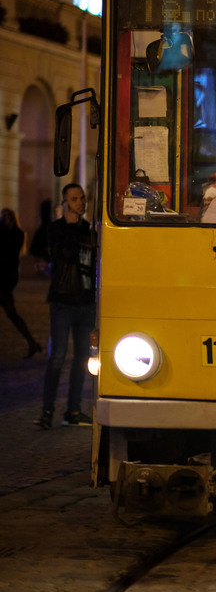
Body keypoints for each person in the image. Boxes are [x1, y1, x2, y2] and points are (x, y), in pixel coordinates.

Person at [34, 184, 97, 430]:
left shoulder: (89, 230)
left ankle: (73, 410)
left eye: (82, 198)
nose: (81, 202)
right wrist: (69, 224)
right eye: (75, 199)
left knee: (82, 359)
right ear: (65, 203)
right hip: (62, 302)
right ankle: (47, 411)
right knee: (57, 358)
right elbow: (64, 255)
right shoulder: (56, 229)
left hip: (85, 303)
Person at [1, 208, 43, 358]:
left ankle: (32, 343)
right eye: (2, 216)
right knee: (12, 315)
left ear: (11, 218)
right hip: (4, 280)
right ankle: (32, 343)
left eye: (6, 216)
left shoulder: (16, 234)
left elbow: (10, 252)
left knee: (12, 314)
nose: (4, 218)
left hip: (5, 280)